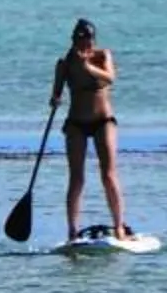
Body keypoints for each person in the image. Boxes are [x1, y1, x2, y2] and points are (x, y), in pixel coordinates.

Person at [50, 17, 134, 241]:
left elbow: (110, 78)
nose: (85, 44)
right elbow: (56, 93)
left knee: (108, 174)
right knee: (76, 178)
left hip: (103, 121)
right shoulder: (65, 63)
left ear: (93, 39)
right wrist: (55, 99)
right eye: (80, 39)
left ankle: (118, 226)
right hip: (76, 124)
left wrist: (87, 67)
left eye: (88, 39)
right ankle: (72, 231)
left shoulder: (102, 55)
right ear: (73, 40)